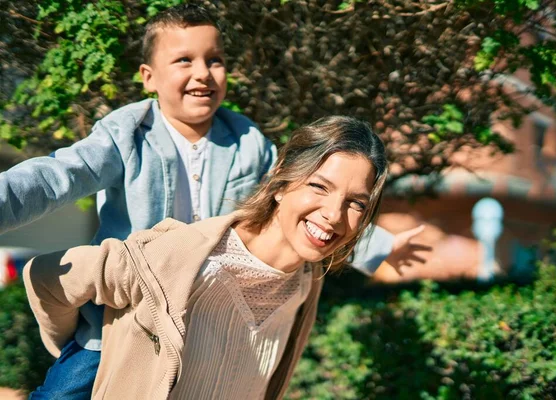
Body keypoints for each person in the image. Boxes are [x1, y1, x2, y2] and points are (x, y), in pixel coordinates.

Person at [0, 4, 426, 399]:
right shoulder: (126, 134)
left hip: (204, 320)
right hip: (126, 318)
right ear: (149, 77)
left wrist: (380, 247)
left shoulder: (246, 142)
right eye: (184, 60)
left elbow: (305, 202)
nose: (202, 72)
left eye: (214, 60)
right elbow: (56, 177)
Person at [24, 116, 408, 399]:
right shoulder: (179, 257)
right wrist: (95, 343)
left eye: (356, 203)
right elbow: (48, 278)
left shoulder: (307, 280)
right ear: (280, 183)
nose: (334, 215)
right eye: (319, 187)